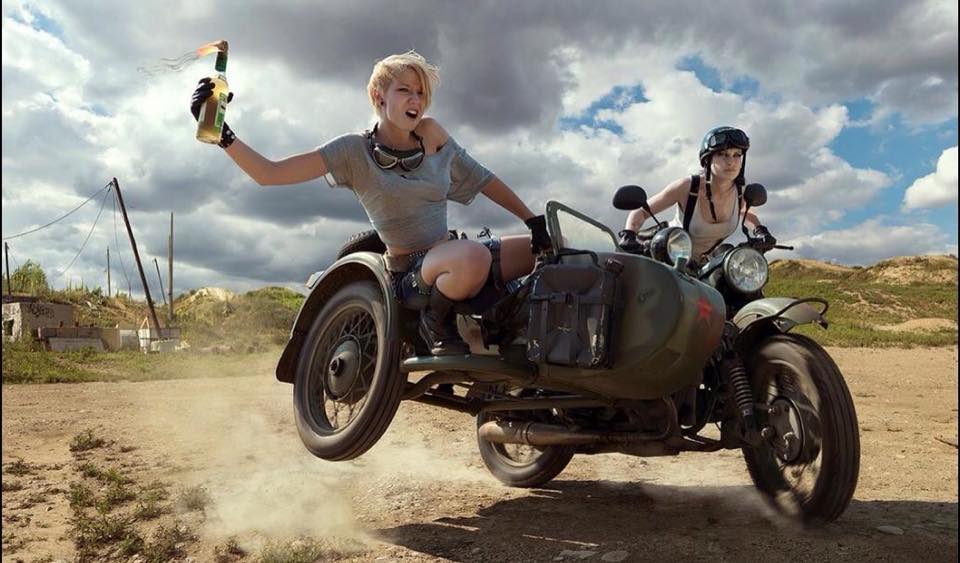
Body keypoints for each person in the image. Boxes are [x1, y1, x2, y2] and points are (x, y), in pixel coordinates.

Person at [190, 51, 550, 356]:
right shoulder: (353, 150)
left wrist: (532, 220)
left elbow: (482, 177)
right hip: (411, 272)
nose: (415, 100)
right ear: (379, 97)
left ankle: (514, 343)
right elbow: (270, 173)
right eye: (404, 90)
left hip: (452, 252)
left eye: (420, 93)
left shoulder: (433, 134)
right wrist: (223, 134)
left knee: (554, 257)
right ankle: (435, 323)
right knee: (473, 257)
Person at [617, 126, 776, 259]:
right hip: (664, 255)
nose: (730, 162)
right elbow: (640, 212)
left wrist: (761, 231)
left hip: (703, 264)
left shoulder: (741, 191)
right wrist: (629, 235)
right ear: (707, 159)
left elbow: (745, 212)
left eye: (737, 155)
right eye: (722, 154)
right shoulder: (687, 186)